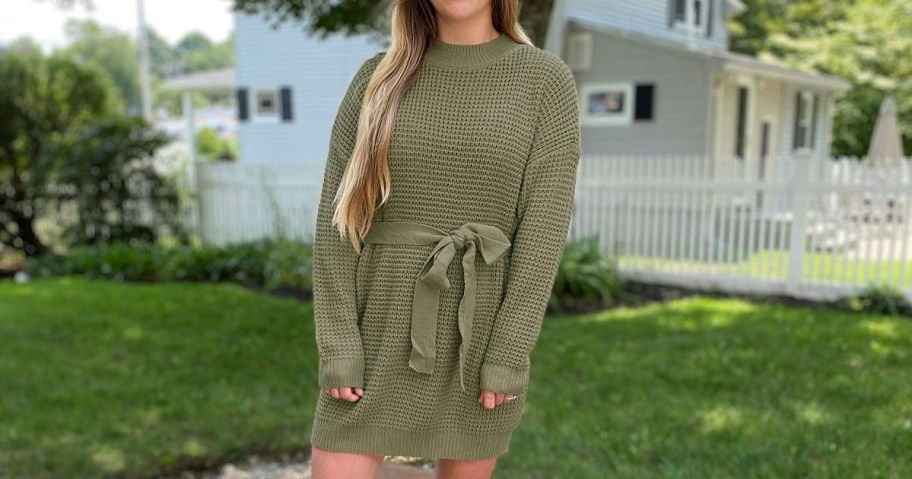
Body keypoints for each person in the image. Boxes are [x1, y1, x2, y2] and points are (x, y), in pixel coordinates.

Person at [308, 0, 581, 477]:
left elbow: (543, 233)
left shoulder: (544, 81)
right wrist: (339, 346)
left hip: (475, 341)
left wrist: (508, 352)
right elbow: (337, 225)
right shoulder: (377, 78)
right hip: (376, 330)